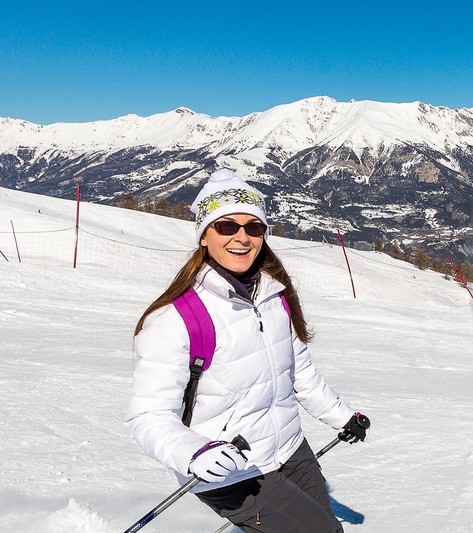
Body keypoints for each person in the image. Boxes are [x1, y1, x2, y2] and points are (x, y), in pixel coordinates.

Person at [126, 169, 370, 532]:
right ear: (204, 236)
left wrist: (341, 416)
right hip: (231, 471)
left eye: (253, 227)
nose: (241, 237)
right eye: (226, 226)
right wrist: (193, 452)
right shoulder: (176, 319)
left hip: (290, 448)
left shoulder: (274, 298)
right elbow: (147, 415)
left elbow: (298, 373)